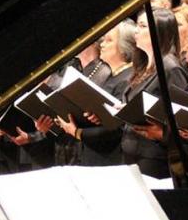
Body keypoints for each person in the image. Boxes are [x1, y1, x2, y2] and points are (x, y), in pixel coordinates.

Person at [56, 20, 135, 166]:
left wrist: (77, 132)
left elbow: (116, 128)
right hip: (95, 154)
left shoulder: (126, 78)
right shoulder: (113, 76)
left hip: (109, 158)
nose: (102, 44)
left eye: (109, 40)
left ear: (124, 48)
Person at [120, 8, 188, 178]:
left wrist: (162, 132)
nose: (136, 30)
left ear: (159, 32)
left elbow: (180, 120)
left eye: (143, 26)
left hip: (153, 158)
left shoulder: (171, 68)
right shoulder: (143, 66)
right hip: (133, 154)